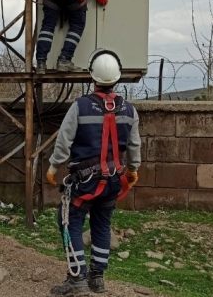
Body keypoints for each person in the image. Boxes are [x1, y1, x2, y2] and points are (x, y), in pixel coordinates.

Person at [45, 49, 140, 295]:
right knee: (102, 223)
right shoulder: (129, 111)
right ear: (118, 77)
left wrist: (54, 166)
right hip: (113, 182)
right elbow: (134, 145)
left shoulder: (80, 106)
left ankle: (77, 279)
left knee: (69, 222)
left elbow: (64, 141)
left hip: (84, 182)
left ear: (92, 77)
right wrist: (133, 170)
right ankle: (97, 278)